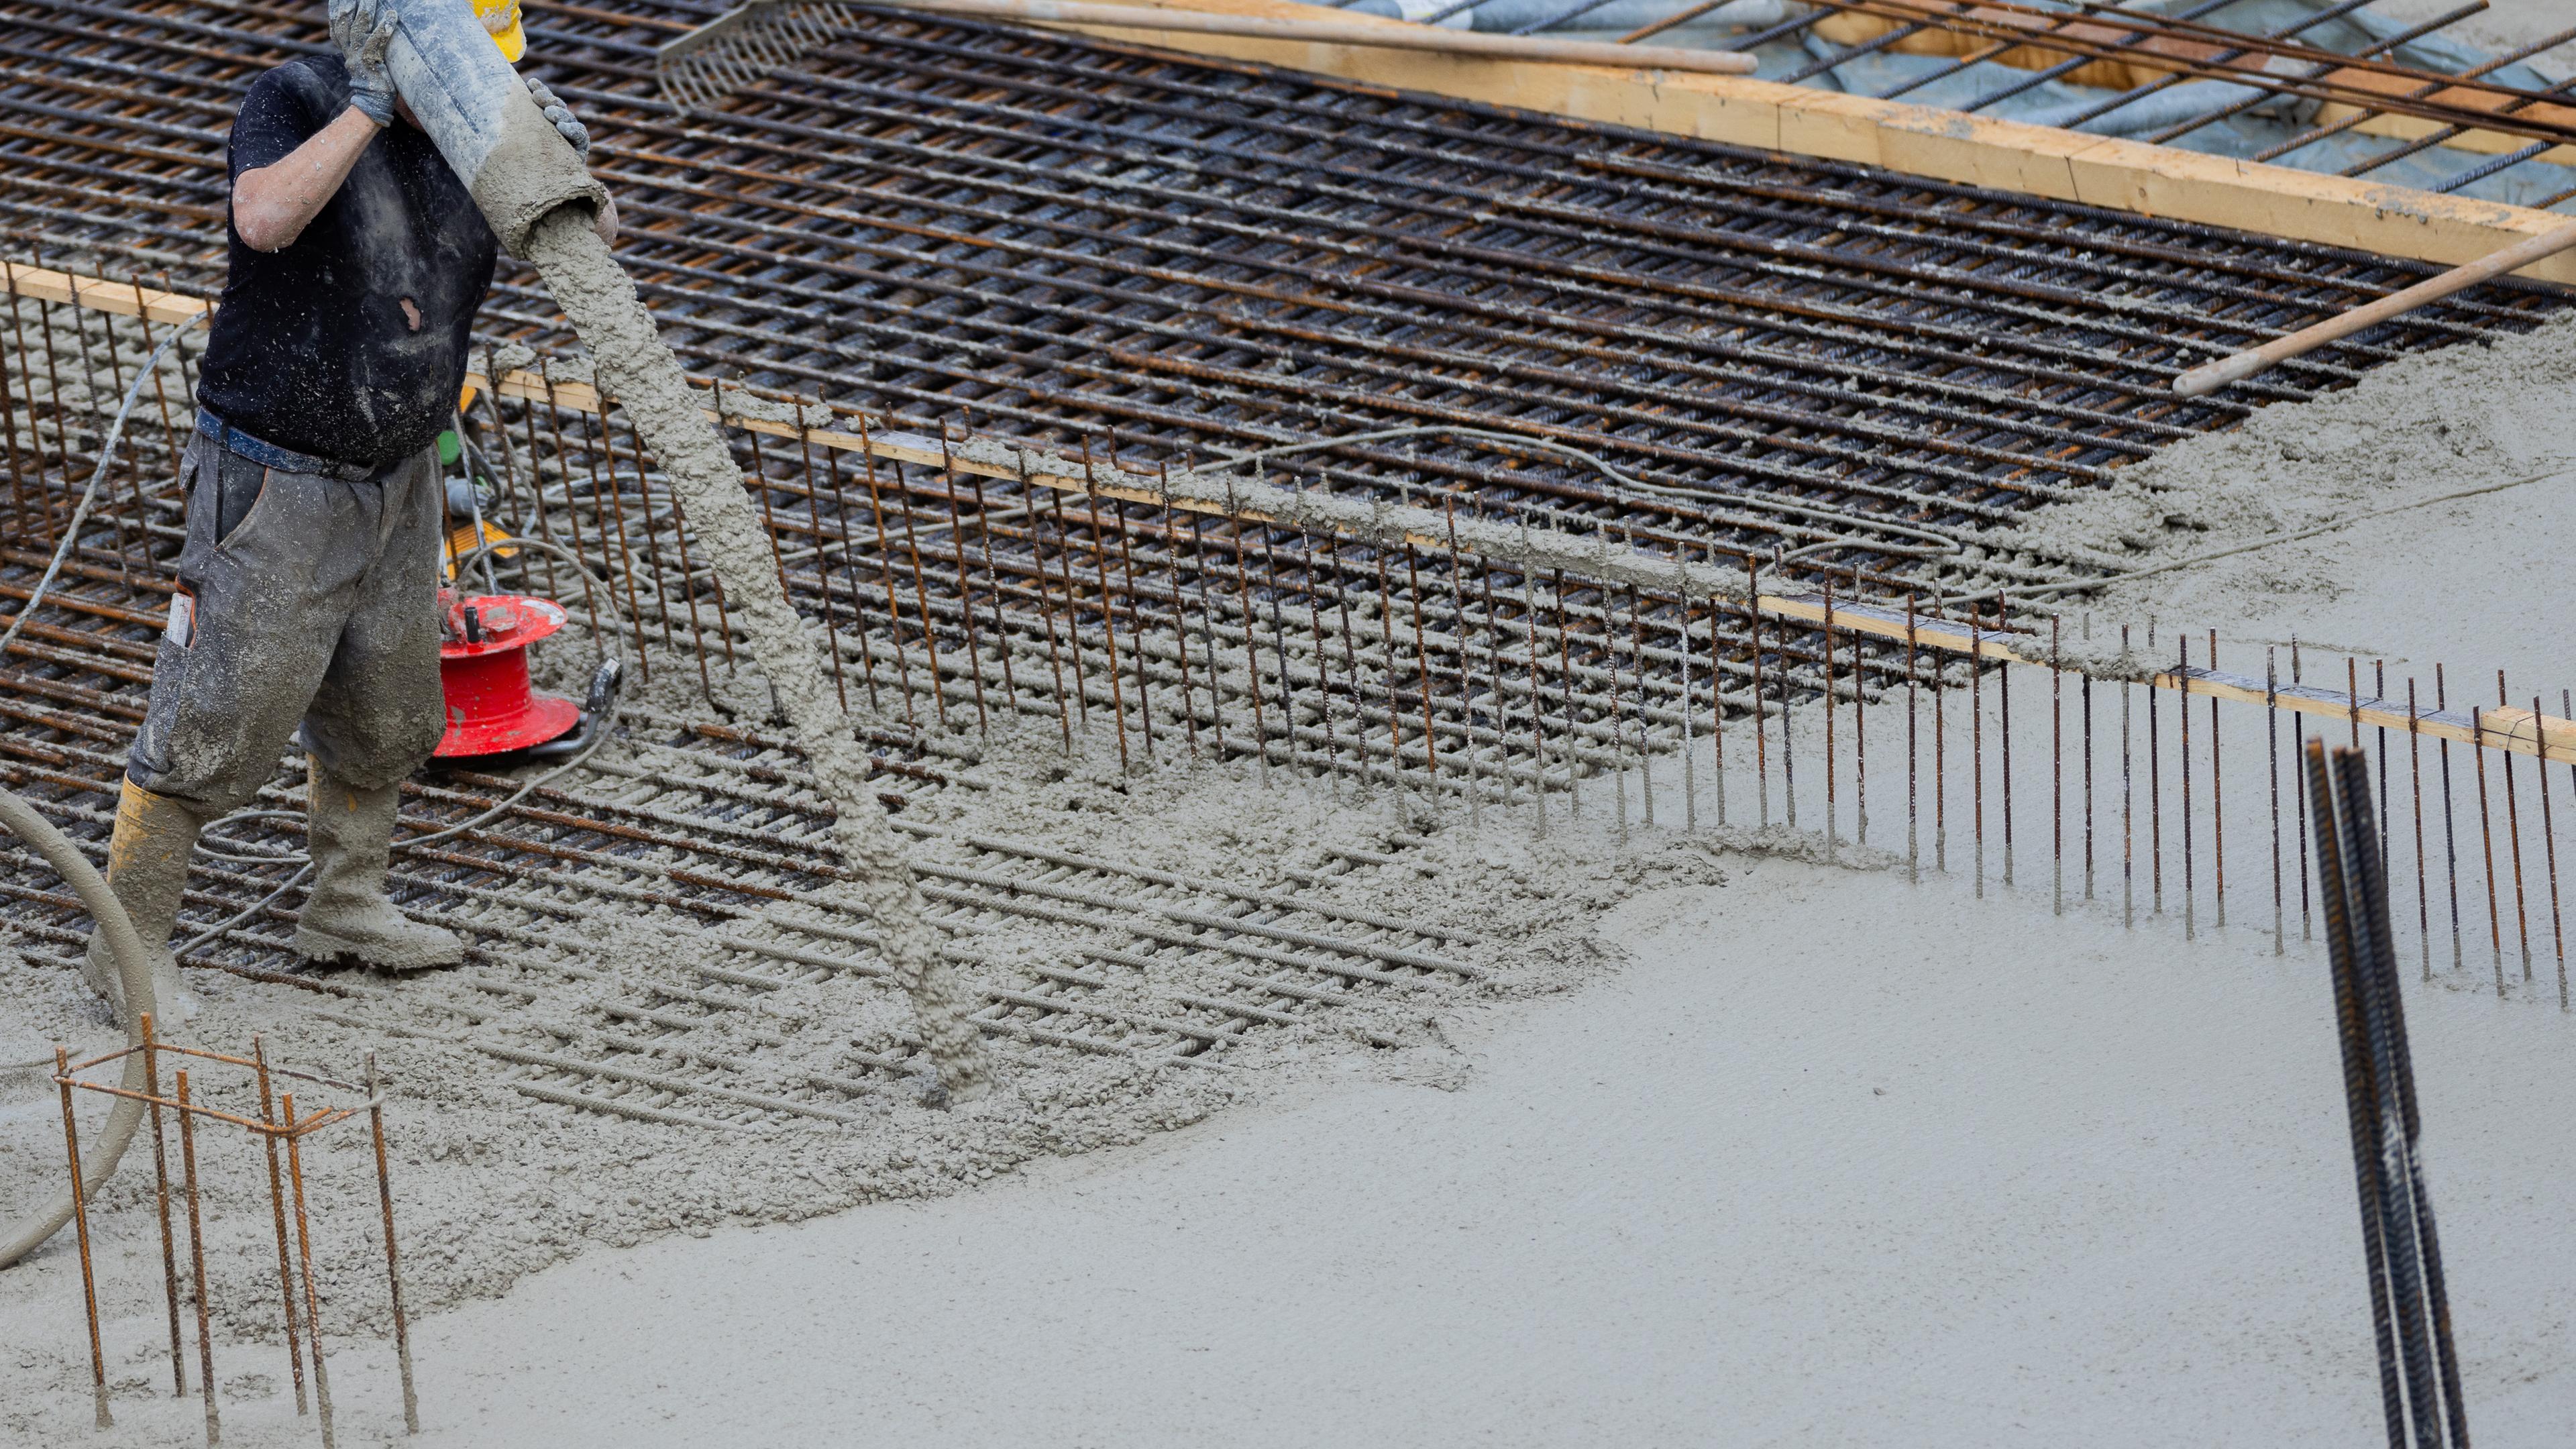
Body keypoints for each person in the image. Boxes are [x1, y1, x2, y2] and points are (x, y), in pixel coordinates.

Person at [85, 0, 613, 1018]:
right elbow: (264, 218)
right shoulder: (298, 100)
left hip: (399, 467)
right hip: (276, 469)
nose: (469, 96)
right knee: (216, 716)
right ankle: (128, 947)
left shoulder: (479, 134)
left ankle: (347, 905)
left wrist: (564, 164)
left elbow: (580, 250)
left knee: (390, 710)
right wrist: (373, 107)